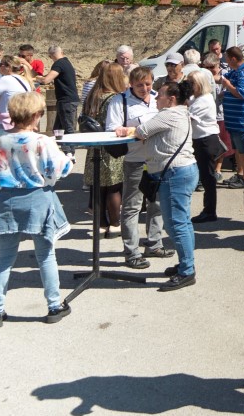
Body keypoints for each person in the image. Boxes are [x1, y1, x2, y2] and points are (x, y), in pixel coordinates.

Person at [0, 92, 74, 327]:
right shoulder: (42, 141)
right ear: (35, 115)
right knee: (46, 255)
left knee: (4, 258)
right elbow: (58, 170)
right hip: (38, 200)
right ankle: (54, 305)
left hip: (7, 200)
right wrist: (69, 160)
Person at [117, 81, 198, 291]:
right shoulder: (180, 112)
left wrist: (131, 131)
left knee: (176, 224)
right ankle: (186, 264)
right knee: (182, 222)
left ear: (171, 99)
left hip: (174, 174)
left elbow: (141, 131)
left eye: (160, 94)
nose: (155, 98)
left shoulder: (168, 114)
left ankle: (187, 271)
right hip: (182, 171)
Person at [107, 67, 169, 269]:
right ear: (131, 84)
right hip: (135, 159)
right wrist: (131, 131)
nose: (144, 88)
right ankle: (132, 252)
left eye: (148, 84)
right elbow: (112, 130)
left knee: (157, 203)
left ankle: (154, 244)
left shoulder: (158, 98)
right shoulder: (119, 101)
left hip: (158, 158)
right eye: (140, 85)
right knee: (133, 206)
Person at [81, 63, 128, 232]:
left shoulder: (92, 96)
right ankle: (115, 224)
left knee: (98, 187)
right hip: (111, 146)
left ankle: (100, 224)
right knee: (113, 187)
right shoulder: (115, 98)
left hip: (94, 145)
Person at [218, 46, 244, 187]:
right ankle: (239, 174)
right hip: (234, 121)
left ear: (233, 59)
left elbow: (242, 93)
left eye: (227, 59)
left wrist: (228, 86)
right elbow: (221, 79)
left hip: (243, 121)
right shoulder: (236, 71)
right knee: (238, 150)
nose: (226, 62)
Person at [186, 67, 222, 224]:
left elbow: (187, 117)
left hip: (206, 140)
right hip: (200, 139)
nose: (189, 86)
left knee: (208, 177)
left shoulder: (204, 100)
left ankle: (209, 211)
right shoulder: (196, 98)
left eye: (191, 83)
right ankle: (208, 210)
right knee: (205, 176)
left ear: (200, 84)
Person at [42, 45, 80, 135]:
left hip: (66, 101)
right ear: (62, 52)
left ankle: (69, 145)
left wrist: (38, 78)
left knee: (68, 130)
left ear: (50, 56)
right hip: (68, 100)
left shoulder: (59, 64)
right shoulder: (66, 62)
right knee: (58, 130)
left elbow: (46, 80)